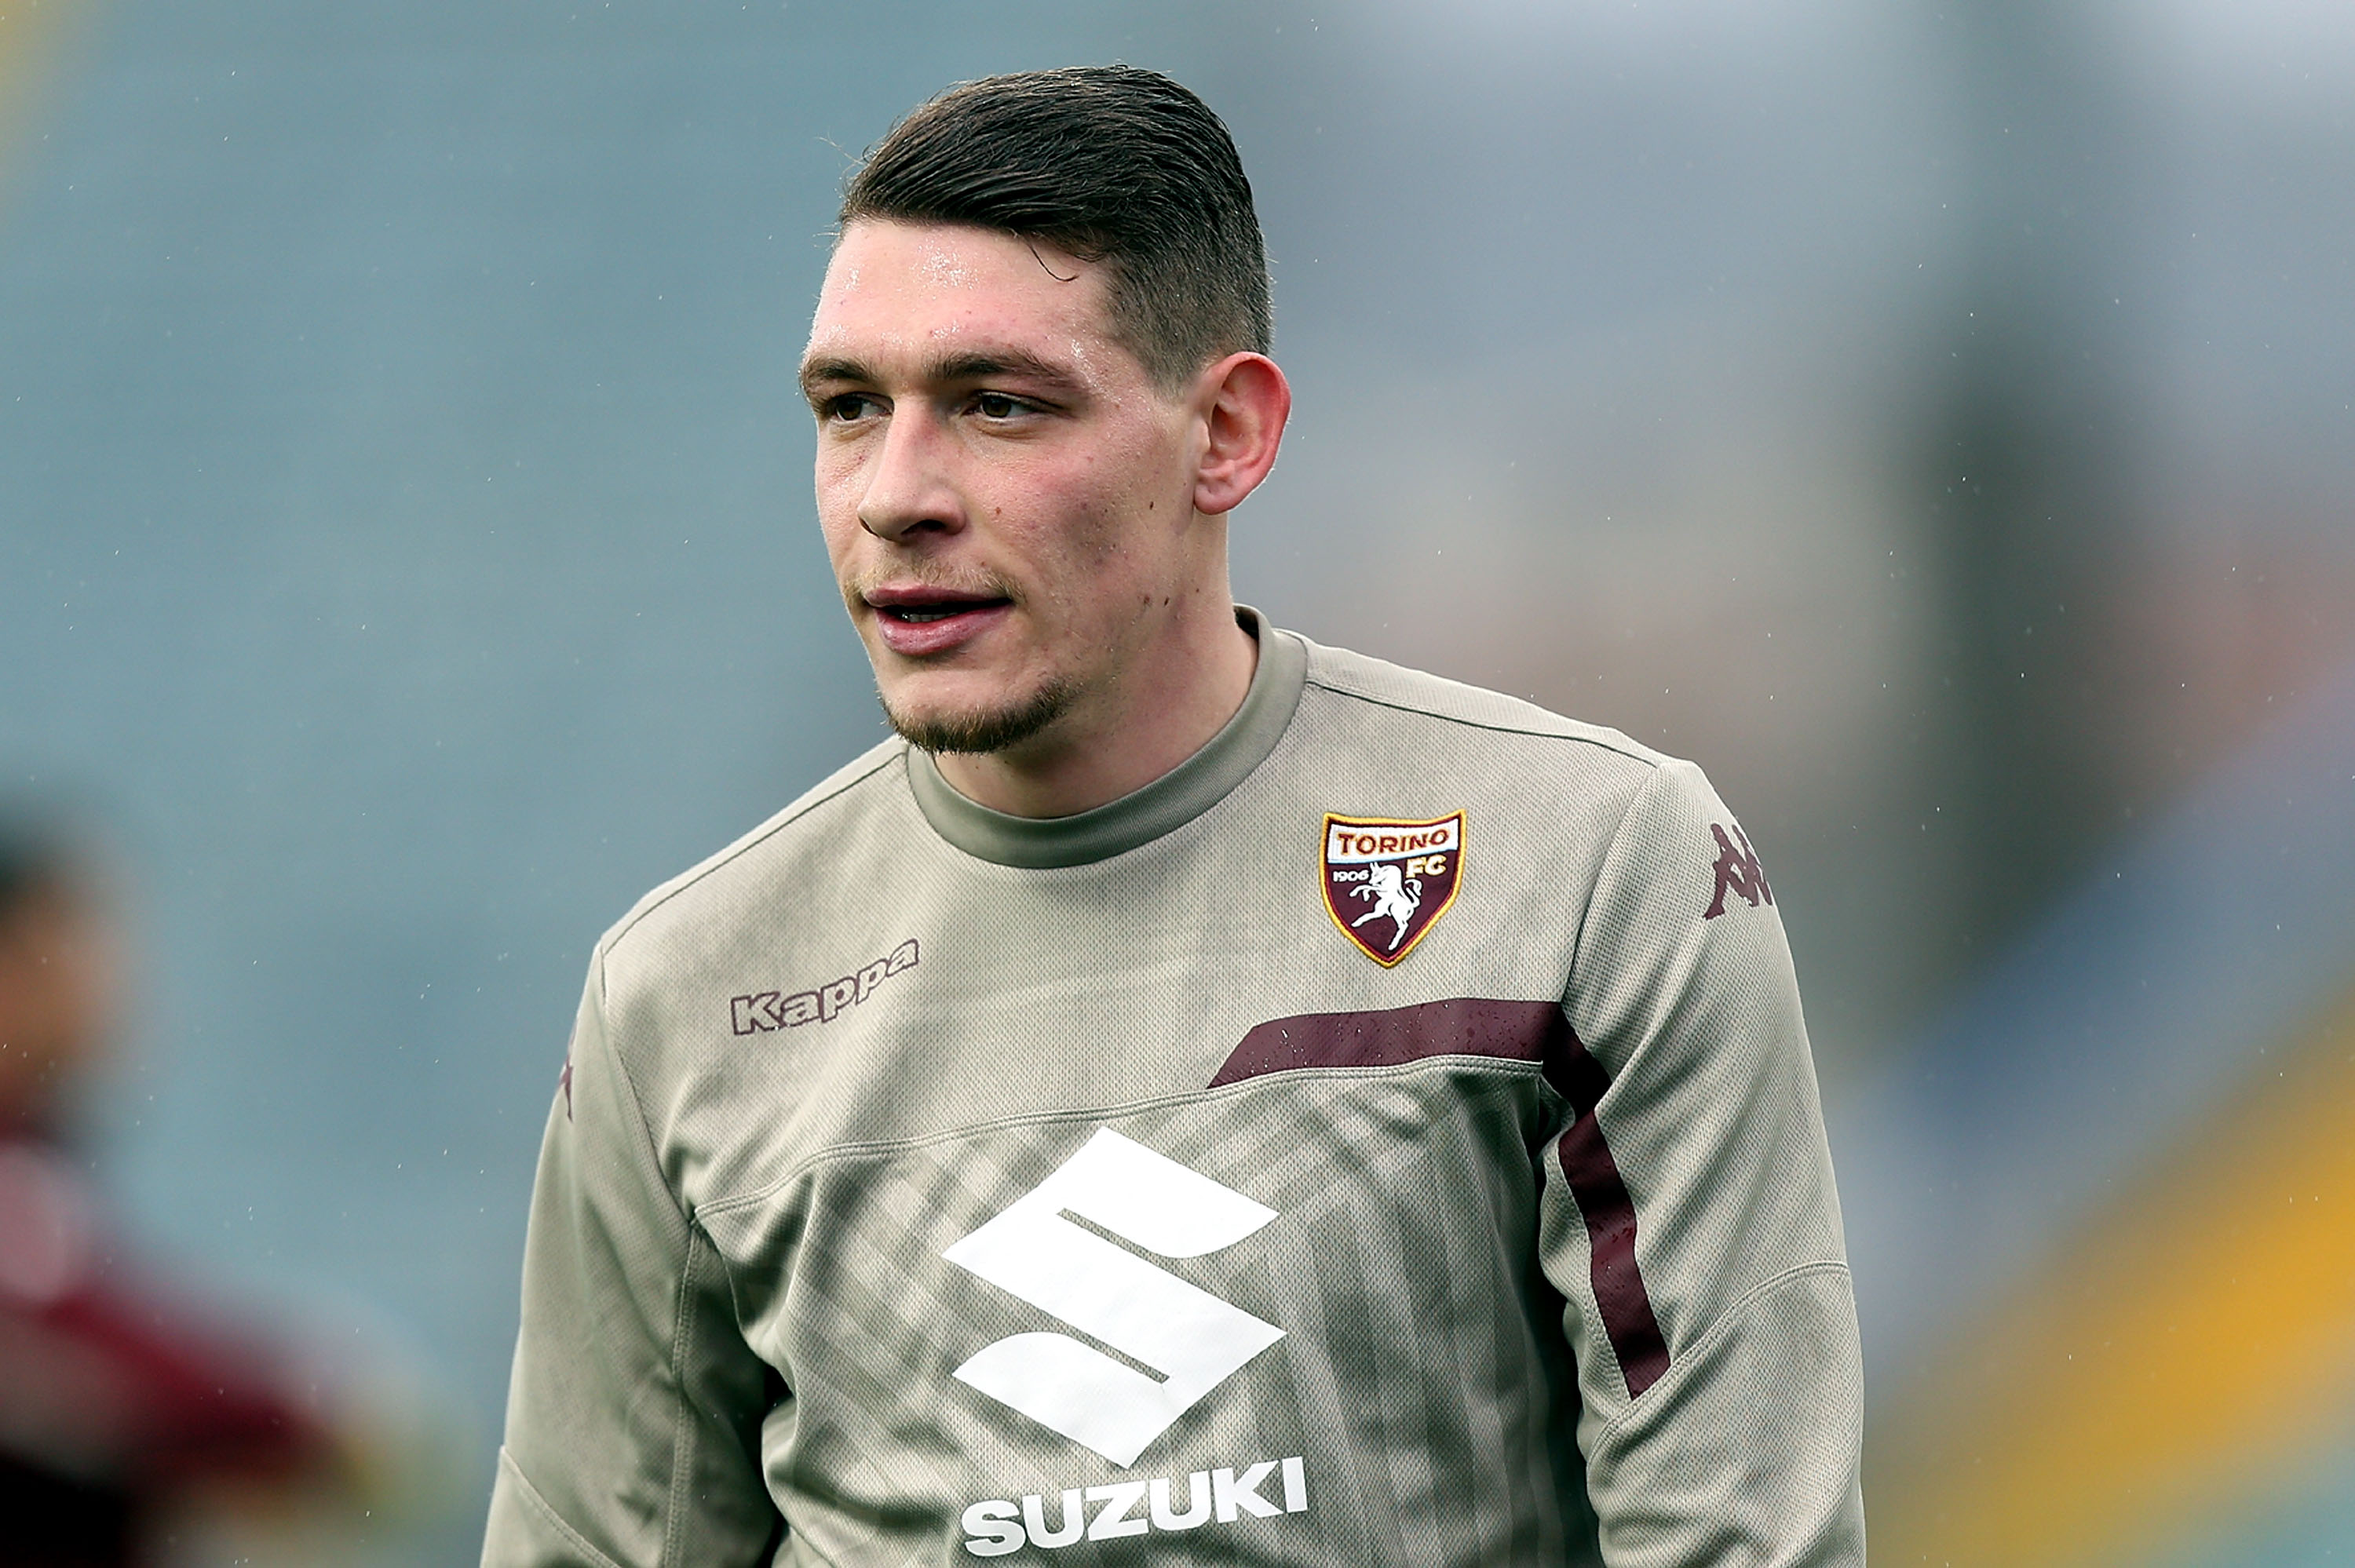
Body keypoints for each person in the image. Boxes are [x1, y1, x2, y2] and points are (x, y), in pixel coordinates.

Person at [483, 65, 1863, 1567]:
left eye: (997, 406)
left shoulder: (1592, 870)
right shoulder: (682, 1000)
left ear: (1228, 435)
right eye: (849, 408)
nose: (895, 494)